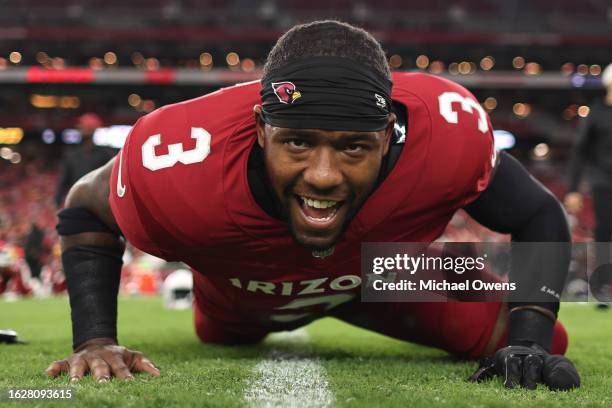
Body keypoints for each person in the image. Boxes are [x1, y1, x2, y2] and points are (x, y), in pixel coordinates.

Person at [47, 21, 579, 390]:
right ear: (260, 131)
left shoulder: (445, 131)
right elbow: (84, 206)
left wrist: (528, 340)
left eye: (353, 147)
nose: (323, 176)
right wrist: (95, 339)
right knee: (219, 336)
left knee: (544, 338)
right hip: (241, 298)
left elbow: (539, 213)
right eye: (297, 143)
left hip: (383, 268)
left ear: (390, 136)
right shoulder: (181, 157)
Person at [565, 63, 612, 306]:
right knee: (605, 231)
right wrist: (573, 188)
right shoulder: (596, 114)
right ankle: (602, 286)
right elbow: (579, 152)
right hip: (603, 181)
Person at [54, 113, 116, 207]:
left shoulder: (104, 155)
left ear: (92, 129)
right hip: (76, 201)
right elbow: (64, 181)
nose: (80, 129)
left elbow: (109, 181)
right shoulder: (71, 155)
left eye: (83, 126)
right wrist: (57, 201)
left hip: (97, 204)